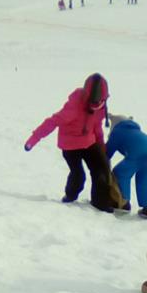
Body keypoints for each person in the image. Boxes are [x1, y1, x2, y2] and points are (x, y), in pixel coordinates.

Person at [24, 73, 114, 212]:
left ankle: (101, 203)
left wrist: (102, 147)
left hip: (89, 142)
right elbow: (52, 122)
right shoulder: (73, 108)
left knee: (101, 168)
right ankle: (70, 197)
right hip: (70, 145)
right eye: (93, 103)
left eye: (100, 102)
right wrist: (33, 139)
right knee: (78, 174)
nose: (96, 106)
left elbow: (97, 127)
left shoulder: (101, 108)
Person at [105, 115, 147, 219]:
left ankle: (122, 203)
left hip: (138, 154)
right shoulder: (135, 131)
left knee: (120, 173)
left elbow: (107, 152)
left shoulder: (117, 132)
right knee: (144, 180)